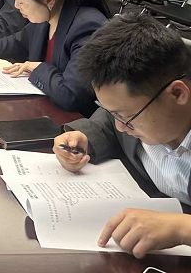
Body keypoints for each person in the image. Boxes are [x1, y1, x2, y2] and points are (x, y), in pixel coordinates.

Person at [52, 15, 191, 258]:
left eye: (126, 117)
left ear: (177, 94)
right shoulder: (141, 110)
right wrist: (84, 137)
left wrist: (182, 228)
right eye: (113, 112)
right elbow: (109, 121)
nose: (121, 126)